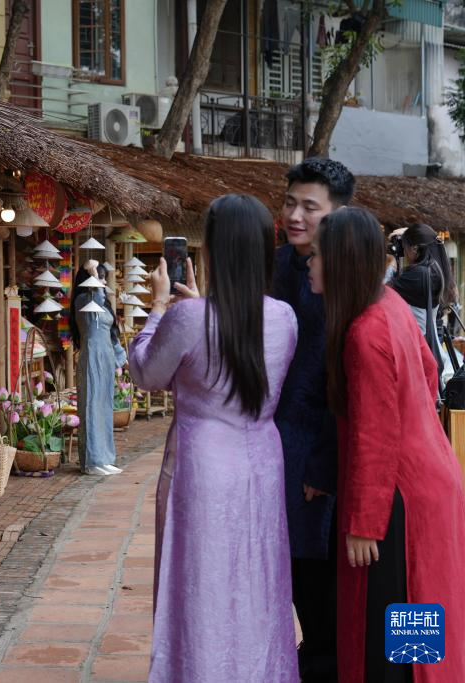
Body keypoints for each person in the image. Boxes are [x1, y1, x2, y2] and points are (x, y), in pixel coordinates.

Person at [129, 194, 299, 682]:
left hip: (202, 463)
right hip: (262, 458)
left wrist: (159, 306)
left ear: (211, 251)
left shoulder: (188, 318)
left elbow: (145, 373)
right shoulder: (285, 317)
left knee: (200, 582)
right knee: (258, 579)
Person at [308, 207, 465, 682]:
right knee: (421, 617)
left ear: (342, 261)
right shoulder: (389, 306)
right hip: (428, 480)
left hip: (398, 499)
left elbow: (374, 434)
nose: (310, 263)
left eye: (317, 255)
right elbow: (429, 372)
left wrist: (363, 523)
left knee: (398, 636)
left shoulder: (365, 332)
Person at [272, 156, 355, 681]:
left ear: (338, 215)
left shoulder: (350, 281)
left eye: (310, 207)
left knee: (322, 564)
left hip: (321, 446)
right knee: (290, 563)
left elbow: (345, 387)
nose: (295, 216)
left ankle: (328, 658)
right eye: (289, 203)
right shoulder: (278, 263)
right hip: (276, 439)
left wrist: (324, 465)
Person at [68, 260, 127, 476]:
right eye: (99, 277)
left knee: (104, 408)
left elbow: (112, 335)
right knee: (91, 407)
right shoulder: (84, 301)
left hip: (106, 359)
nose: (102, 282)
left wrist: (122, 359)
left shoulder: (102, 303)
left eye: (103, 277)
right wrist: (92, 272)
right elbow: (96, 299)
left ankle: (105, 458)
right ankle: (92, 462)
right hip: (92, 358)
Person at [387, 223, 459, 387]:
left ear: (414, 249)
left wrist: (391, 263)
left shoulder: (419, 275)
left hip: (416, 354)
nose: (403, 251)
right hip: (427, 350)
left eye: (405, 247)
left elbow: (381, 292)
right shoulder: (434, 269)